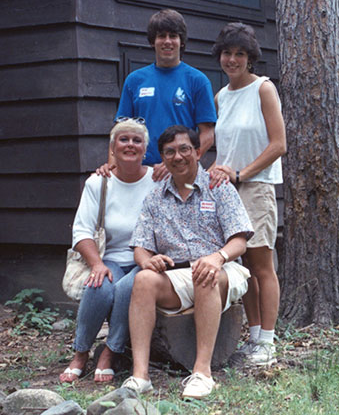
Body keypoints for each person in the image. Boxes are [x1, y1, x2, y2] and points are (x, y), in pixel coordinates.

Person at [120, 125, 254, 399]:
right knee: (143, 279)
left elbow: (240, 240)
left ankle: (202, 374)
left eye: (184, 149)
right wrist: (149, 260)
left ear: (197, 152)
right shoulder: (155, 197)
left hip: (224, 268)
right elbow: (140, 248)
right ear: (162, 157)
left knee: (203, 273)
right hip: (177, 275)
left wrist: (217, 258)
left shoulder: (219, 187)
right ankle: (140, 376)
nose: (177, 157)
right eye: (169, 152)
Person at [209, 23, 287, 366]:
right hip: (226, 192)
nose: (232, 59)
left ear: (250, 58)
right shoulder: (221, 96)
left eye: (240, 54)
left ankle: (268, 343)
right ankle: (254, 337)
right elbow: (225, 149)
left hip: (255, 187)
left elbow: (278, 145)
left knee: (261, 265)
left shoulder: (264, 89)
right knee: (240, 266)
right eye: (227, 53)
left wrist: (242, 173)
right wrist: (217, 170)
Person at [60, 118, 157, 384]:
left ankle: (109, 353)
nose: (130, 144)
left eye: (137, 140)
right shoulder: (98, 183)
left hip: (146, 260)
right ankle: (80, 353)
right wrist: (97, 264)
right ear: (112, 148)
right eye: (123, 139)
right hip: (109, 258)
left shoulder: (157, 180)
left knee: (129, 288)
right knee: (99, 285)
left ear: (145, 149)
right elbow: (81, 231)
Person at [110, 8, 217, 181]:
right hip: (140, 173)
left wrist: (177, 162)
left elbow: (207, 135)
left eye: (173, 36)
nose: (167, 41)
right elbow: (119, 130)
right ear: (153, 41)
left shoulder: (198, 80)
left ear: (181, 41)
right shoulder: (134, 80)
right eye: (161, 36)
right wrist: (113, 168)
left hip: (182, 172)